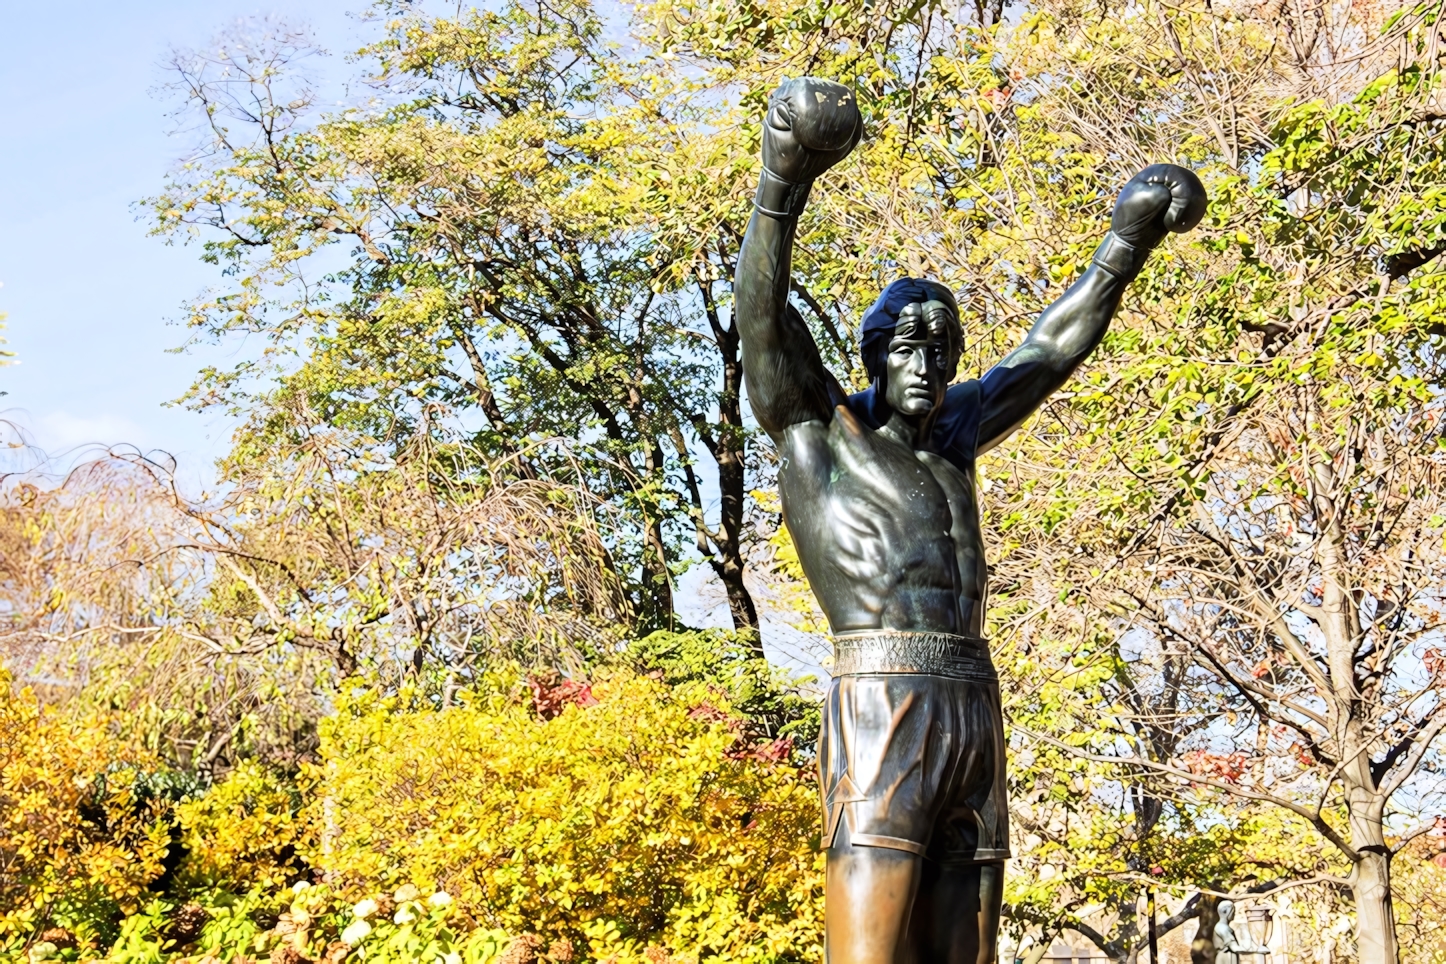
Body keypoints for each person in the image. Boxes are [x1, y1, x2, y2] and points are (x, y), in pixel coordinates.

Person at [733, 76, 1207, 964]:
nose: (928, 363)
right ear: (874, 358)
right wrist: (782, 182)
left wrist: (1125, 243)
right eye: (909, 347)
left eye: (942, 348)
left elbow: (1050, 349)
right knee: (870, 950)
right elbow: (760, 319)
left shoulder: (955, 440)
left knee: (969, 954)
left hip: (971, 700)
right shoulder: (819, 429)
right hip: (882, 697)